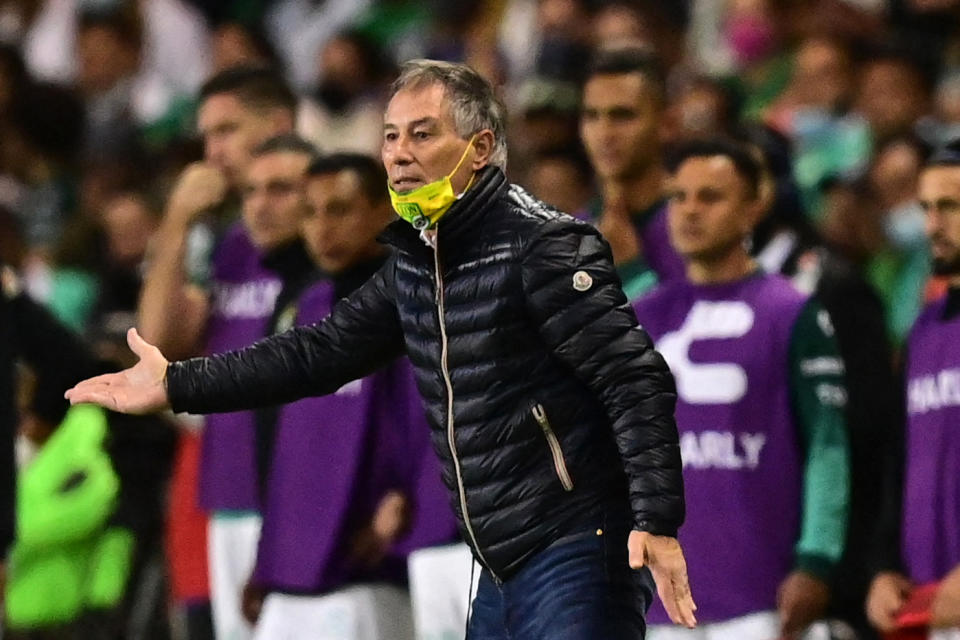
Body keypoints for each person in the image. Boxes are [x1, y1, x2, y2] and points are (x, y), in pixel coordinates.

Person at [66, 58, 696, 639]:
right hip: (499, 557)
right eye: (391, 136)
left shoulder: (545, 246)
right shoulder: (418, 262)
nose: (399, 154)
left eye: (422, 135)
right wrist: (177, 382)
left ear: (480, 149)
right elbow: (319, 352)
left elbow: (634, 379)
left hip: (576, 543)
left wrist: (657, 519)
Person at [632, 139, 851, 640]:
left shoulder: (792, 311)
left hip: (763, 598)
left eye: (710, 197)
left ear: (753, 208)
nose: (689, 212)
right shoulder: (641, 316)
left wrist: (816, 560)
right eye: (679, 197)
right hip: (656, 604)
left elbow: (828, 444)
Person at [245, 152, 458, 640]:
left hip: (373, 563)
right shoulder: (306, 307)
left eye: (339, 210)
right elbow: (284, 445)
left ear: (382, 212)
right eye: (310, 213)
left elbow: (428, 414)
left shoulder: (415, 300)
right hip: (291, 569)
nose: (322, 228)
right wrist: (267, 556)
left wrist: (405, 494)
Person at [136, 66, 299, 640]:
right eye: (206, 136)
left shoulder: (332, 230)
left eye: (227, 130)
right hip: (228, 497)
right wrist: (177, 221)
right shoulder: (231, 242)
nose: (213, 151)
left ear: (279, 123)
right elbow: (157, 343)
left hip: (301, 498)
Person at [865, 140, 960, 639]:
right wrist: (883, 566)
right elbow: (900, 461)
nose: (931, 226)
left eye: (950, 207)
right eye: (926, 208)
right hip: (929, 610)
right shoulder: (926, 328)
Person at [579, 45, 685, 300]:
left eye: (623, 115)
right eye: (592, 116)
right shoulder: (572, 231)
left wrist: (632, 272)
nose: (604, 134)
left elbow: (699, 334)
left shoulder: (694, 222)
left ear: (667, 124)